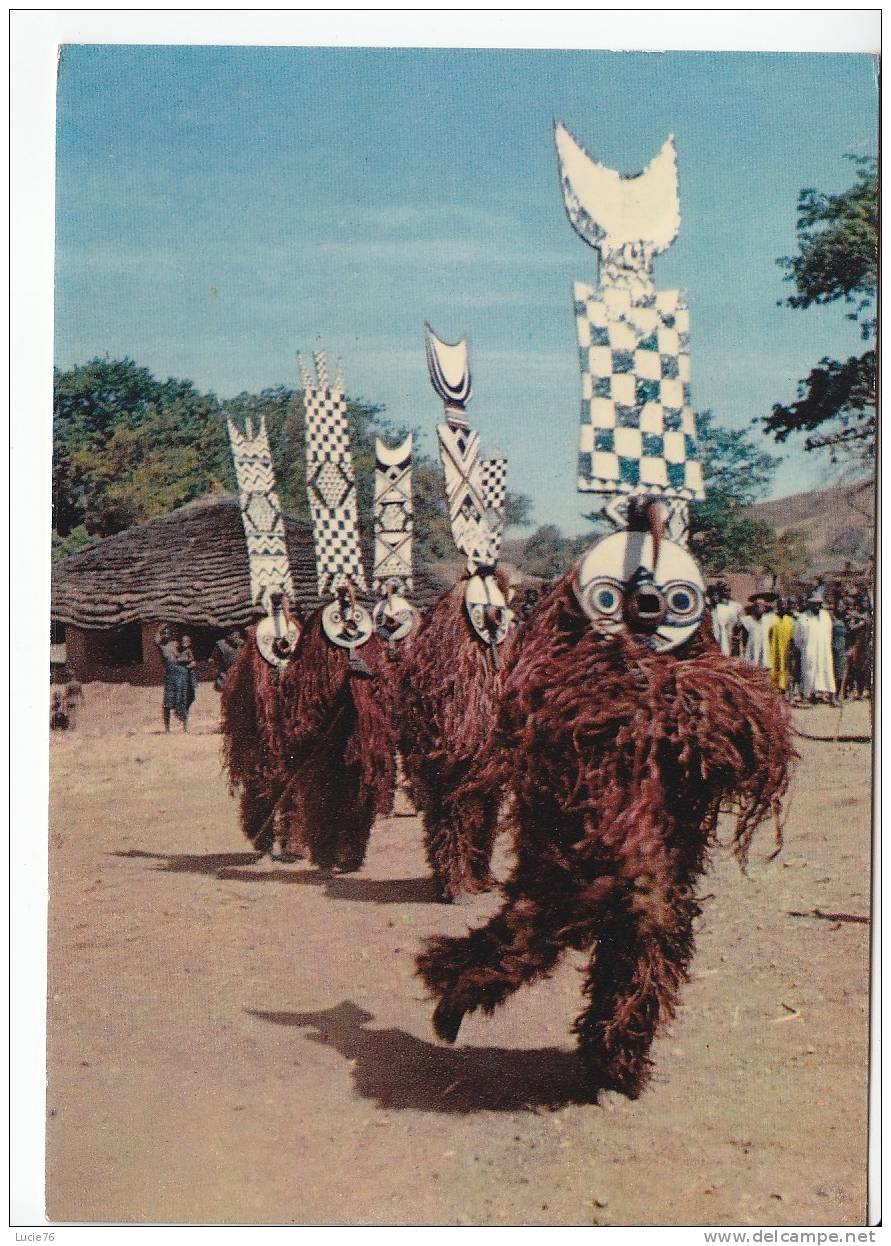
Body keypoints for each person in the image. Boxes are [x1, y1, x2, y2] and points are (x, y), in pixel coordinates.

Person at [792, 589, 835, 703]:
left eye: (819, 604)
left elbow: (829, 633)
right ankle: (809, 695)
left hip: (823, 650)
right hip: (809, 650)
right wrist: (804, 648)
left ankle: (827, 695)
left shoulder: (826, 616)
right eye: (814, 604)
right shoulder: (802, 617)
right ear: (809, 604)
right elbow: (797, 637)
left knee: (825, 671)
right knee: (809, 672)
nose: (817, 606)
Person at [155, 624, 197, 732]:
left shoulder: (176, 644)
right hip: (170, 675)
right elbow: (156, 640)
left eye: (168, 633)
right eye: (164, 633)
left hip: (182, 673)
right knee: (167, 703)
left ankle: (185, 727)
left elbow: (188, 652)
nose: (166, 635)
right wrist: (160, 628)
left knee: (183, 699)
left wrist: (191, 663)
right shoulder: (162, 646)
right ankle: (167, 729)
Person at [769, 598, 796, 695]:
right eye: (781, 605)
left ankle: (784, 691)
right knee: (773, 670)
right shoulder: (772, 619)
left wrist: (791, 651)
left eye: (785, 605)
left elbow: (793, 638)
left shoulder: (790, 621)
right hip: (773, 651)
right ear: (778, 606)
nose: (783, 607)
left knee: (785, 670)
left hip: (786, 651)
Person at [710, 582, 742, 657]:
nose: (728, 592)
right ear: (721, 592)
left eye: (729, 590)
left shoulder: (736, 606)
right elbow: (715, 625)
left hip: (733, 635)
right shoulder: (716, 608)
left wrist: (737, 627)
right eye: (725, 590)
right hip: (721, 636)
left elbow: (739, 621)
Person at [830, 602, 848, 700]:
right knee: (832, 674)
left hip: (842, 650)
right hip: (832, 649)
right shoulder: (831, 620)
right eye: (839, 606)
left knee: (840, 674)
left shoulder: (846, 620)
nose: (841, 608)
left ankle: (837, 695)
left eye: (842, 606)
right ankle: (831, 696)